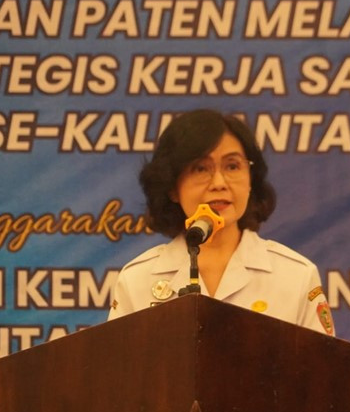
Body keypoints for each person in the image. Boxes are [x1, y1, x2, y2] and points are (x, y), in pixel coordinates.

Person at [107, 109, 335, 336]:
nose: (219, 183)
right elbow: (117, 360)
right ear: (172, 187)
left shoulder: (296, 276)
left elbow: (322, 360)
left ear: (250, 180)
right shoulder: (137, 279)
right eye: (200, 168)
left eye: (232, 166)